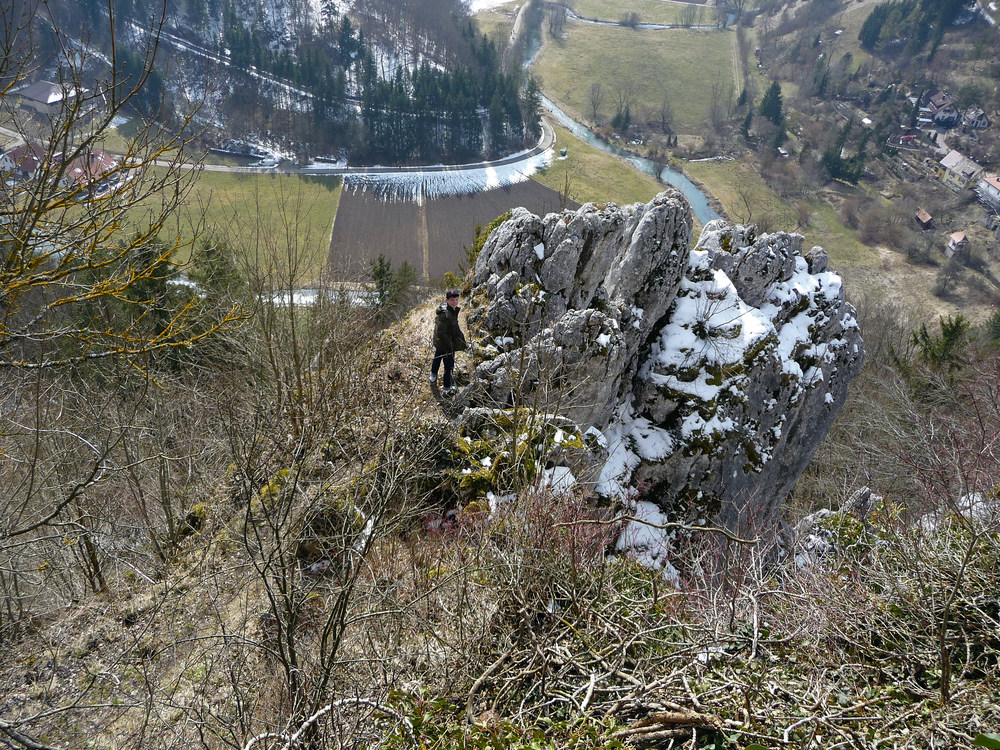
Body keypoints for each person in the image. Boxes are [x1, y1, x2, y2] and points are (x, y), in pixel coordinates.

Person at [430, 289, 467, 396]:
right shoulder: (445, 314)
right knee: (449, 365)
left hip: (441, 342)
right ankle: (446, 388)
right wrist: (450, 344)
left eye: (456, 300)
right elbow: (442, 331)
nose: (455, 302)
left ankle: (433, 376)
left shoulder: (451, 310)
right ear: (446, 300)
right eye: (452, 300)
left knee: (437, 358)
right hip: (446, 343)